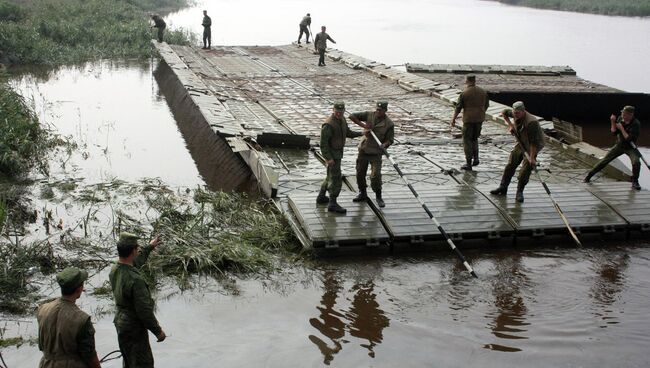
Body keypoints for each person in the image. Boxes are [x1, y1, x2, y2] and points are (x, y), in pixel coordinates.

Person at [110, 232, 166, 368]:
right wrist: (158, 332)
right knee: (142, 363)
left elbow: (135, 262)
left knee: (129, 361)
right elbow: (144, 311)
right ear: (133, 251)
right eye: (137, 248)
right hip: (134, 328)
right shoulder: (136, 280)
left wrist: (150, 247)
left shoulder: (115, 269)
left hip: (121, 324)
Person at [37, 267, 101, 368]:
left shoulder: (43, 310)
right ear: (79, 289)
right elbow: (90, 356)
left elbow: (41, 346)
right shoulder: (82, 320)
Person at [490, 101, 545, 203]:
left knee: (525, 169)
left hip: (533, 145)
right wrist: (511, 125)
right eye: (514, 113)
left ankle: (519, 192)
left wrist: (532, 158)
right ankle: (503, 187)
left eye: (518, 113)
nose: (515, 115)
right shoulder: (514, 112)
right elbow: (504, 112)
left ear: (523, 111)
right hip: (521, 141)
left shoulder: (531, 122)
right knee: (511, 164)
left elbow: (533, 142)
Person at [318, 102, 363, 214]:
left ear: (344, 111)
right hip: (332, 155)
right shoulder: (328, 125)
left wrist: (362, 133)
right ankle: (332, 203)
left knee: (330, 176)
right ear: (333, 110)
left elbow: (348, 133)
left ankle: (321, 196)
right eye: (337, 112)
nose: (339, 114)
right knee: (336, 178)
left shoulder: (342, 120)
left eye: (341, 112)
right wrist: (328, 158)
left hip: (337, 153)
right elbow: (323, 144)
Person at [584, 106, 642, 190]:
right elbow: (614, 132)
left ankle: (635, 181)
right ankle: (588, 176)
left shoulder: (636, 123)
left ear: (630, 115)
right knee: (604, 160)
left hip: (630, 147)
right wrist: (612, 121)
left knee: (636, 162)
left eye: (624, 114)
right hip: (619, 145)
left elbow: (629, 139)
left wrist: (621, 128)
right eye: (622, 113)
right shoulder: (620, 118)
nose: (622, 115)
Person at [349, 101, 395, 208]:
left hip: (376, 153)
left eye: (381, 110)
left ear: (385, 111)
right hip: (364, 150)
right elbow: (351, 116)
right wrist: (363, 125)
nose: (378, 112)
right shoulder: (369, 115)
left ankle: (378, 196)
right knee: (360, 172)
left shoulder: (389, 124)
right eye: (377, 109)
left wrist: (385, 144)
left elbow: (390, 140)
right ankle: (362, 193)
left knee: (376, 175)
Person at [451, 74, 489, 170]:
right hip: (479, 119)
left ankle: (468, 164)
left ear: (467, 81)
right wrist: (481, 112)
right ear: (475, 80)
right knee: (474, 139)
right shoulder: (483, 92)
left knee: (467, 141)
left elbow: (458, 107)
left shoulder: (464, 93)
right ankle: (476, 159)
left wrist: (453, 119)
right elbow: (487, 105)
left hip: (468, 120)